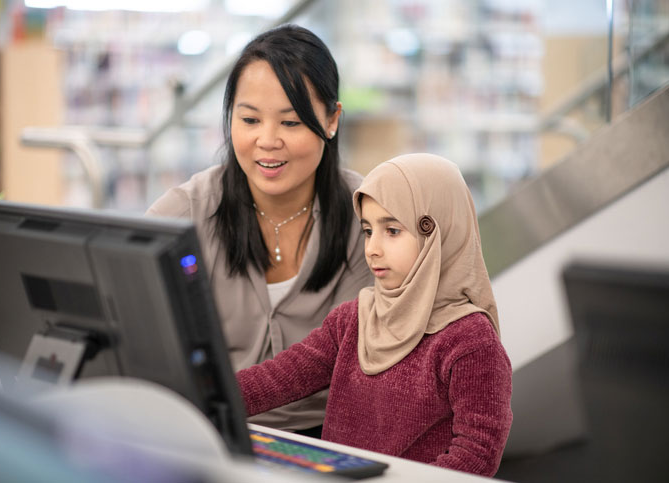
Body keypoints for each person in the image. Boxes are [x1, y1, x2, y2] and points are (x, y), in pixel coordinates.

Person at [146, 24, 372, 436]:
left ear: (332, 120)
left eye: (290, 123)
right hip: (213, 430)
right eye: (249, 119)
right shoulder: (188, 209)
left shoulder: (367, 213)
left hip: (333, 438)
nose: (267, 141)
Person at [237, 153, 513, 476]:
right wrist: (206, 393)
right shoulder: (353, 320)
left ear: (435, 234)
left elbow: (477, 454)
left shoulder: (470, 341)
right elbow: (280, 377)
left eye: (392, 230)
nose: (373, 249)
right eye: (368, 231)